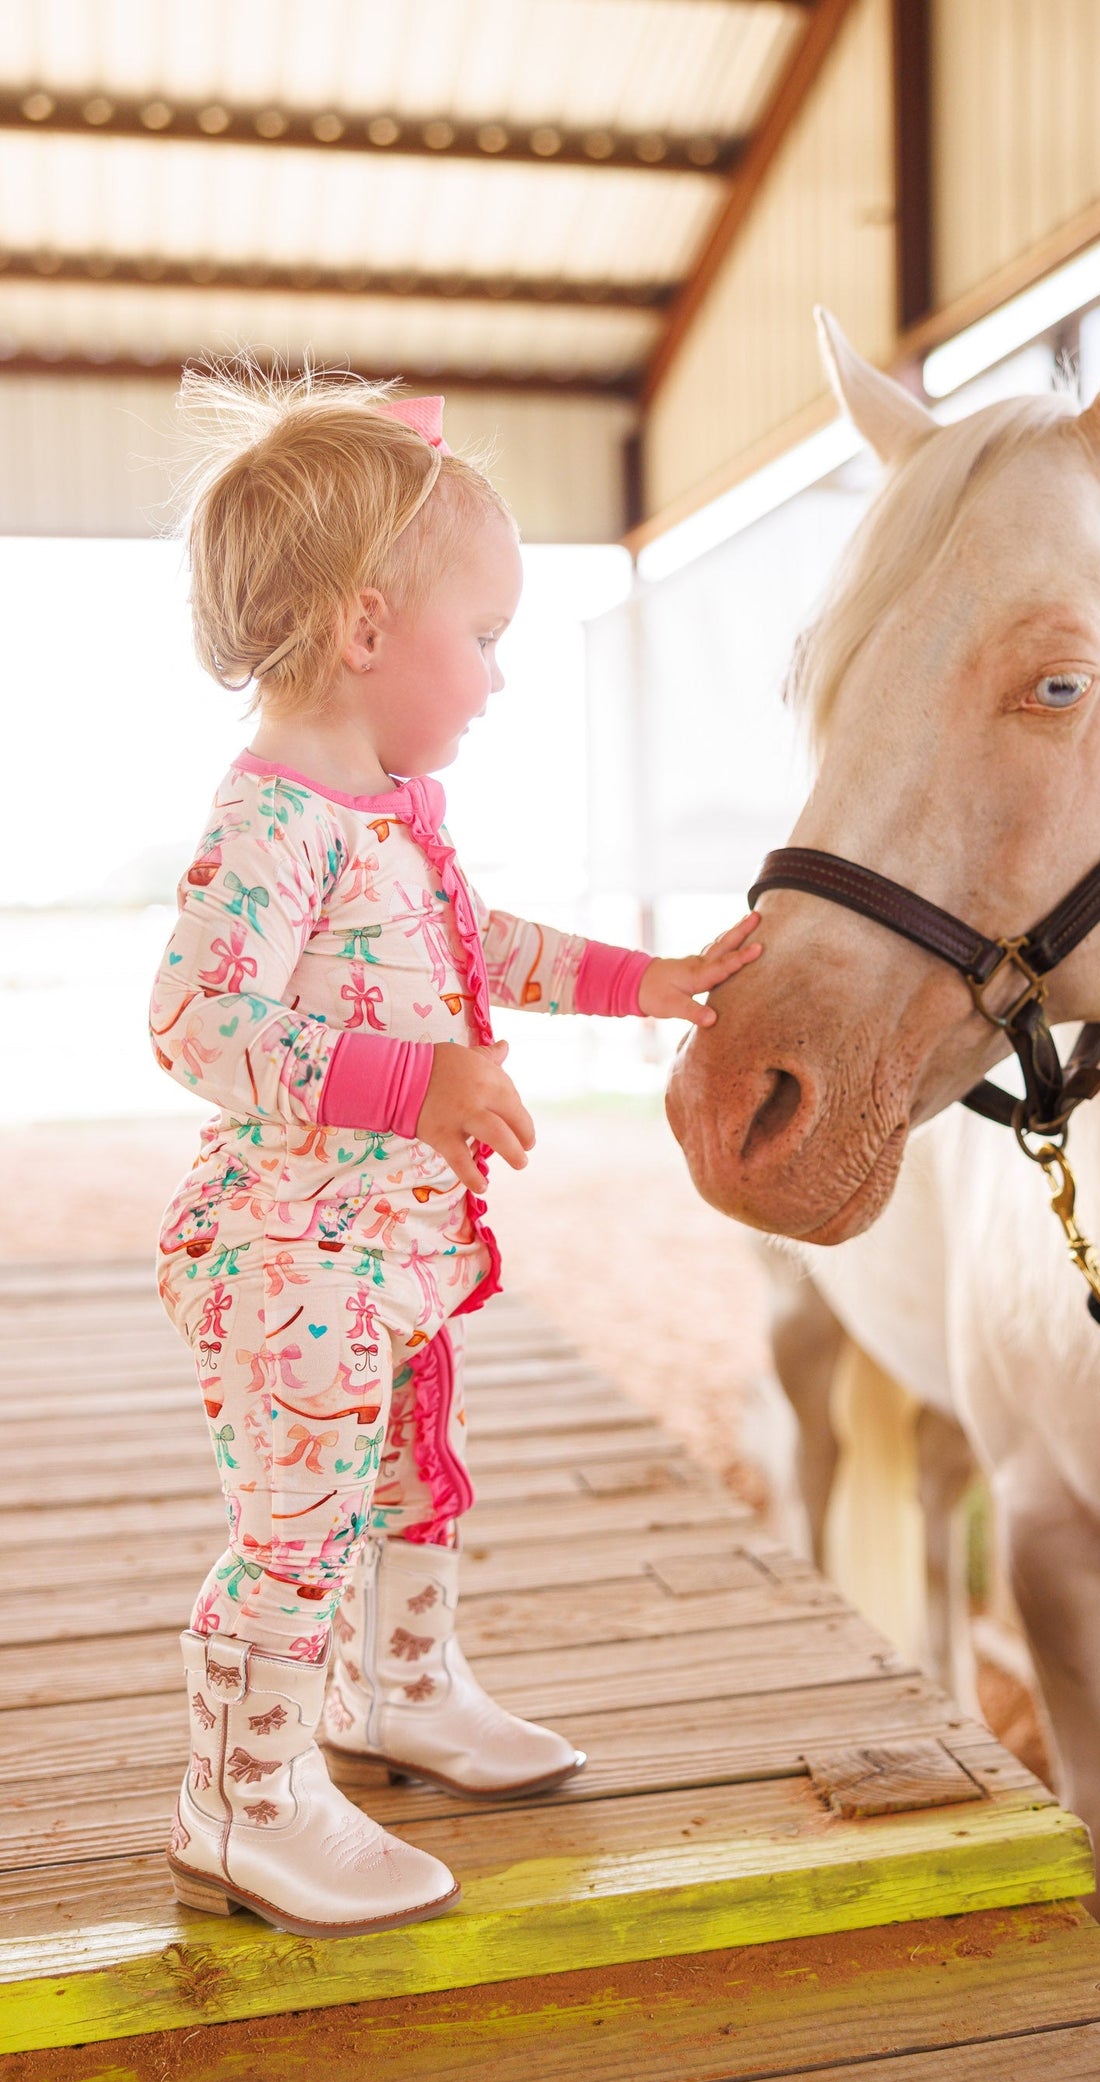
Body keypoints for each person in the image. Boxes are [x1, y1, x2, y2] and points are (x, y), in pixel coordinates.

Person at [151, 371, 761, 1937]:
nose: (495, 675)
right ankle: (243, 1796)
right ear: (366, 632)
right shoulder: (270, 820)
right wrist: (413, 1081)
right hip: (295, 1260)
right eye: (480, 637)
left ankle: (398, 1689)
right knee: (295, 1523)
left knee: (410, 1482)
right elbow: (195, 1021)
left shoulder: (384, 815)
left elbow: (478, 944)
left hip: (394, 1258)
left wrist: (652, 979)